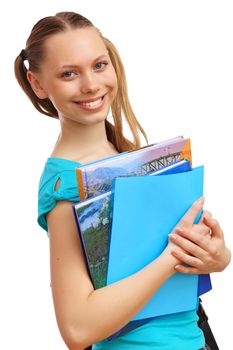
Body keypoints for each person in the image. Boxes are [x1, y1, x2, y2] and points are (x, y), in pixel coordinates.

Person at [14, 11, 231, 350]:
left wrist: (214, 256)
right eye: (68, 73)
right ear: (38, 84)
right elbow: (77, 329)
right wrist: (170, 259)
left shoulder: (126, 156)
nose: (90, 85)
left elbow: (172, 261)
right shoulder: (67, 187)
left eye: (99, 65)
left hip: (194, 338)